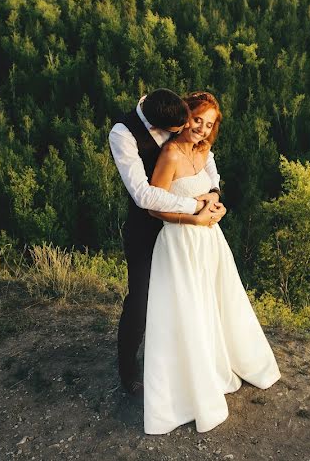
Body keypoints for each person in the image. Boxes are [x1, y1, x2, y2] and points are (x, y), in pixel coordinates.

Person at [142, 91, 281, 434]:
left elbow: (210, 189)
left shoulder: (203, 152)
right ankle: (188, 388)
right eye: (196, 119)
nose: (201, 129)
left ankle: (218, 365)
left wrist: (216, 204)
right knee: (187, 311)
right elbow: (152, 205)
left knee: (213, 305)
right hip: (180, 242)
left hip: (210, 242)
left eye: (208, 125)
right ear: (184, 115)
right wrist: (194, 220)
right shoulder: (170, 154)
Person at [109, 88, 225, 396]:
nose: (189, 130)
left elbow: (207, 159)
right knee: (142, 299)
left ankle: (180, 362)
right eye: (174, 130)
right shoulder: (123, 134)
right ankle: (128, 371)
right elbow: (144, 195)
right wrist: (195, 207)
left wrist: (213, 194)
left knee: (186, 297)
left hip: (186, 234)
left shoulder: (170, 108)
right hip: (147, 228)